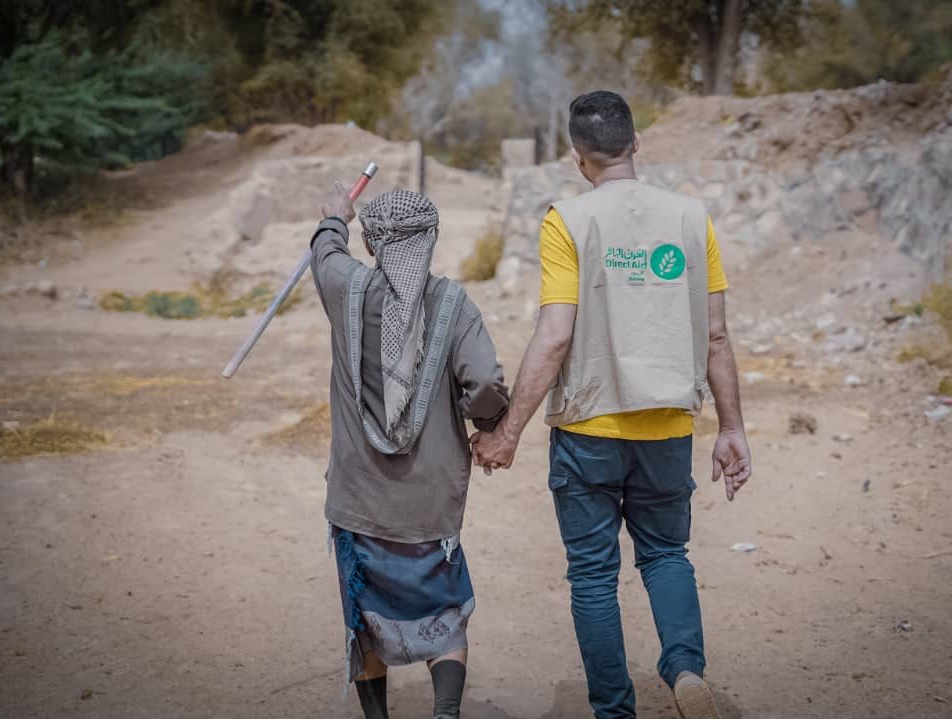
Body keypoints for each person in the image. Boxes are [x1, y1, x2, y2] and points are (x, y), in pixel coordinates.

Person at [471, 91, 752, 719]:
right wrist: (731, 427)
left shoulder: (568, 221)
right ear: (636, 143)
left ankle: (615, 710)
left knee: (594, 577)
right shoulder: (691, 218)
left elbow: (555, 336)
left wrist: (508, 431)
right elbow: (715, 336)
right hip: (668, 427)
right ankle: (685, 669)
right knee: (667, 555)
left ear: (578, 158)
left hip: (588, 430)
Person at [311, 186, 509, 719]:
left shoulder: (345, 290)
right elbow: (485, 380)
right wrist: (489, 425)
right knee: (443, 611)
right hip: (430, 505)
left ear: (372, 245)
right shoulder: (453, 305)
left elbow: (325, 253)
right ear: (431, 240)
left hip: (359, 499)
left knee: (364, 617)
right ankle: (445, 712)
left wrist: (335, 217)